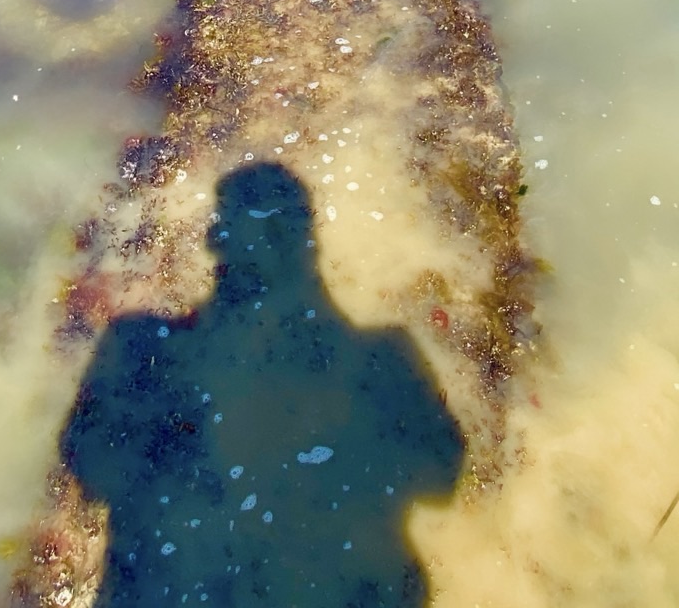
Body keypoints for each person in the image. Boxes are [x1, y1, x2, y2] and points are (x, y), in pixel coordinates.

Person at [63, 164, 462, 607]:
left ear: (217, 242)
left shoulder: (140, 350)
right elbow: (439, 474)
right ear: (308, 251)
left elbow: (94, 465)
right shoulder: (380, 363)